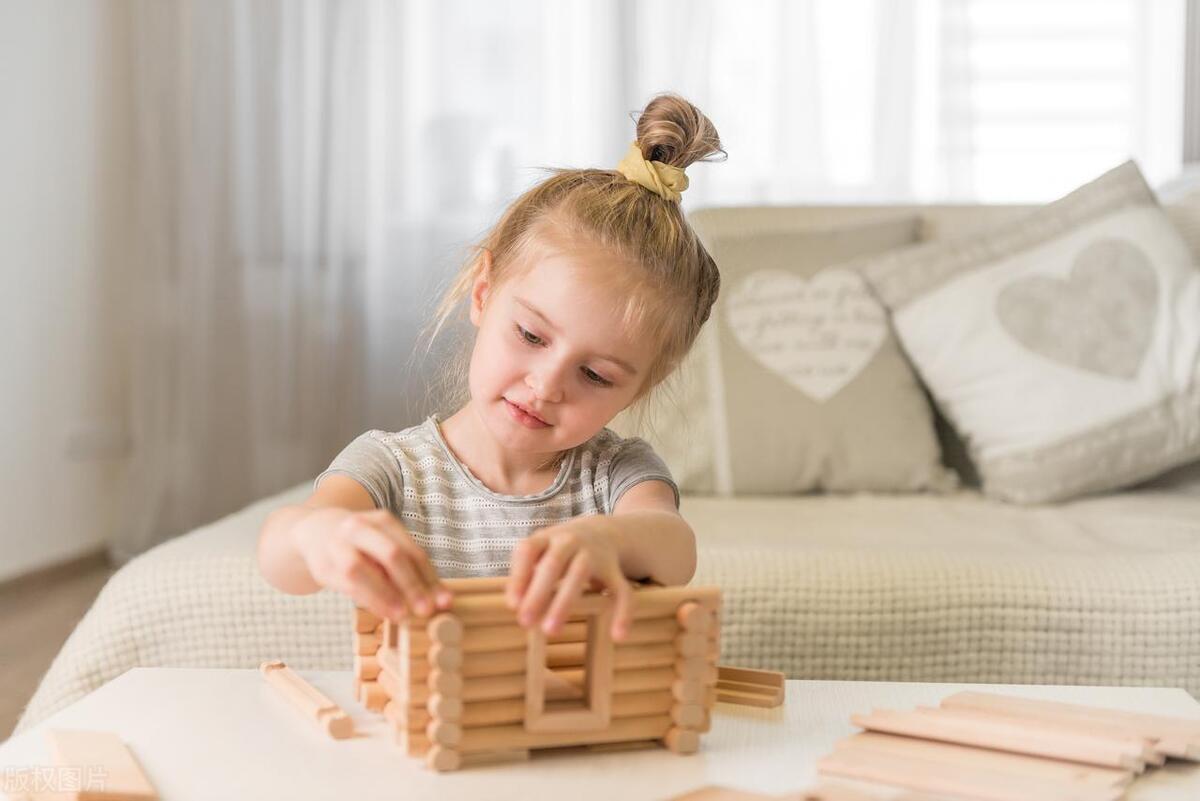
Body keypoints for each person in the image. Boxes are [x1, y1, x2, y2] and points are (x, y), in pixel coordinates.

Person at [257, 92, 725, 642]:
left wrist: (610, 541)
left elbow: (674, 547)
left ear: (645, 384)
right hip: (433, 721)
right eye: (530, 335)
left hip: (567, 722)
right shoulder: (394, 468)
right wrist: (320, 537)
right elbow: (280, 553)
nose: (546, 385)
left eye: (595, 375)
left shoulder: (616, 477)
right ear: (483, 292)